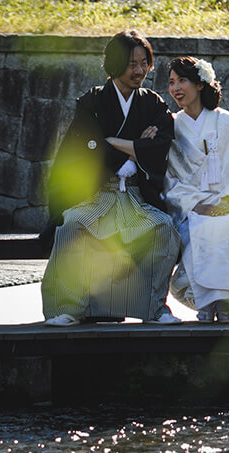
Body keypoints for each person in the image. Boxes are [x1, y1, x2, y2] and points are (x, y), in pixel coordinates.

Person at [41, 30, 181, 326]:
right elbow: (85, 147)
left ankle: (155, 309)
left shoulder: (152, 103)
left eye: (144, 63)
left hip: (135, 197)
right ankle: (68, 307)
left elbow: (161, 144)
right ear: (115, 63)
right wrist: (136, 148)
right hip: (97, 195)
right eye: (132, 63)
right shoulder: (92, 101)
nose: (140, 71)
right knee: (73, 224)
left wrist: (113, 142)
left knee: (164, 228)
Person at [164, 56, 229, 323]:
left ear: (200, 84)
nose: (176, 88)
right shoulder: (172, 127)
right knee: (200, 230)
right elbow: (170, 180)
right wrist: (196, 203)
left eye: (182, 80)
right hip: (193, 207)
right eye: (171, 82)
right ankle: (208, 301)